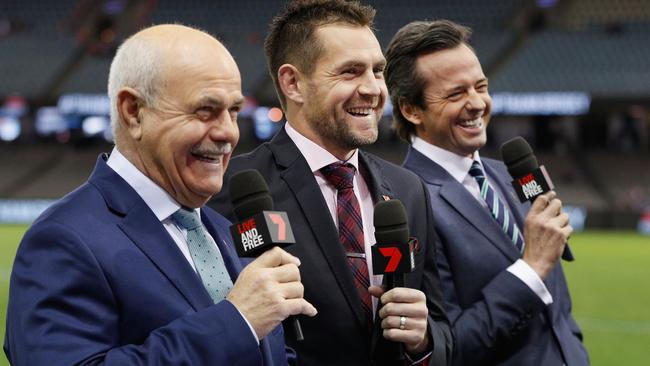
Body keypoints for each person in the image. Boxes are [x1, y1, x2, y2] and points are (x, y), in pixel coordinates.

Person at [4, 24, 316, 366]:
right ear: (133, 112)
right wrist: (237, 321)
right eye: (205, 110)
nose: (228, 131)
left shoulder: (223, 230)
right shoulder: (63, 240)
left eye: (234, 111)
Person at [210, 1, 452, 365]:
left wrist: (424, 340)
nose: (372, 89)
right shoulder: (231, 189)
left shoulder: (408, 190)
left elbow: (441, 322)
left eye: (377, 70)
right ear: (293, 83)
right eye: (350, 72)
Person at [384, 19, 589, 366]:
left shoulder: (509, 173)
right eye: (456, 93)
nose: (477, 103)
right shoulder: (407, 203)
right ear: (410, 109)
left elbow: (557, 306)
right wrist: (531, 267)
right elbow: (445, 347)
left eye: (481, 86)